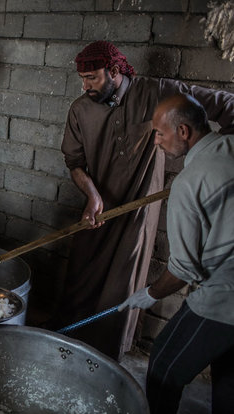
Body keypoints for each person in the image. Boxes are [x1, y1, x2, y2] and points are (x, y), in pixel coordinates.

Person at [53, 40, 234, 360]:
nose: (85, 86)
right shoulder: (80, 109)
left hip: (138, 214)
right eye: (81, 78)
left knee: (121, 285)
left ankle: (106, 357)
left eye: (92, 77)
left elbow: (223, 104)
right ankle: (67, 344)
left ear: (114, 71)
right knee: (82, 276)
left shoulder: (159, 93)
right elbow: (74, 163)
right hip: (99, 211)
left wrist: (223, 155)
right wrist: (92, 194)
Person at [118, 94, 234, 414]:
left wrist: (149, 294)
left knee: (165, 365)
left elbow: (183, 270)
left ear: (183, 132)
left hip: (226, 295)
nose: (157, 141)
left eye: (160, 133)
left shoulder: (188, 184)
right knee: (228, 376)